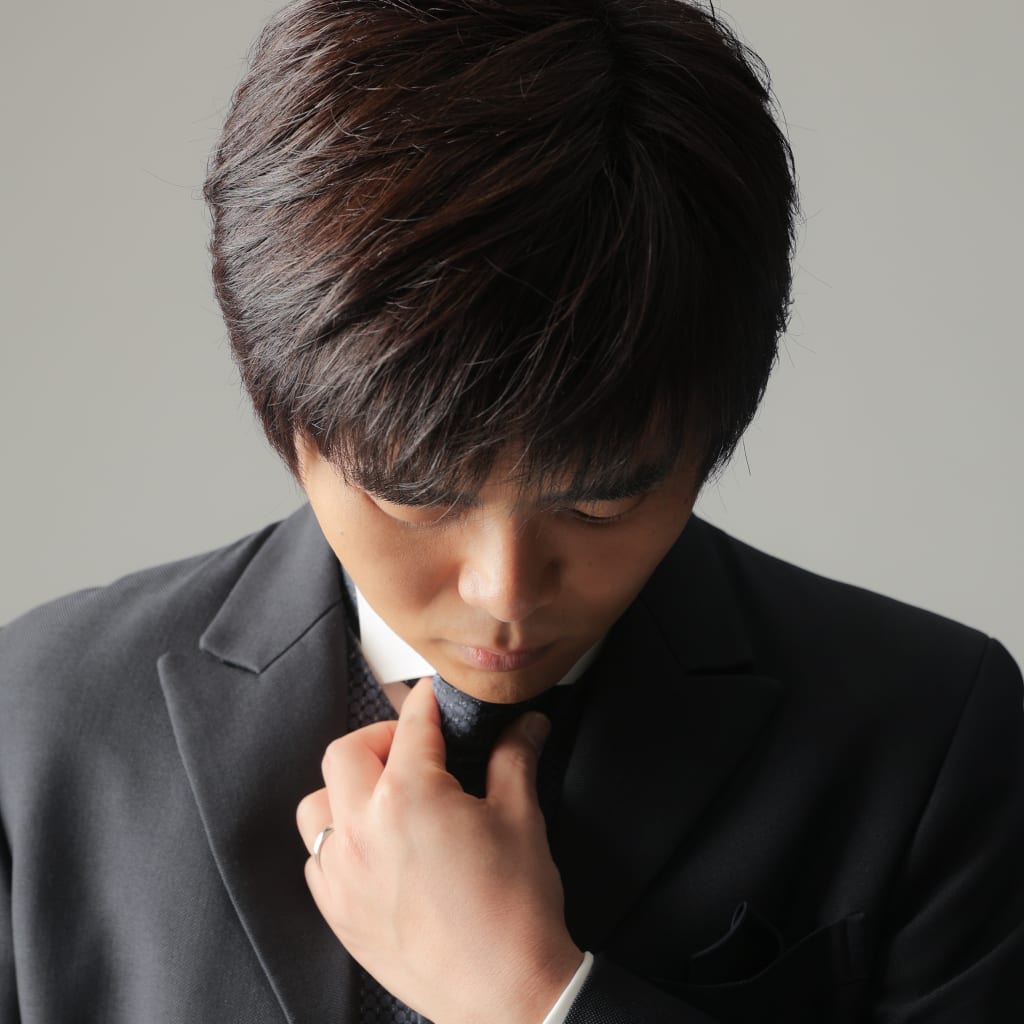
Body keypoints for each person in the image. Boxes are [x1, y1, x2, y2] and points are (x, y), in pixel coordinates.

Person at [1, 0, 1021, 1021]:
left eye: (603, 498)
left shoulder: (929, 733)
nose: (505, 589)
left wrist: (532, 997)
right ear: (287, 419)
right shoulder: (39, 722)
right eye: (413, 494)